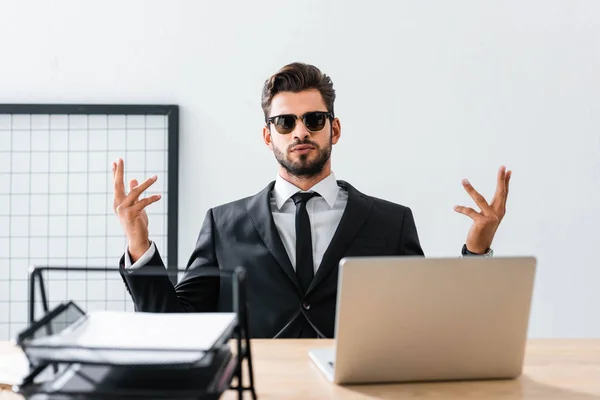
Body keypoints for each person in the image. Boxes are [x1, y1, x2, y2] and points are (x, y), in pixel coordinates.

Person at [114, 62, 512, 338]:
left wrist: (477, 249)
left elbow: (429, 322)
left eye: (314, 119)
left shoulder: (391, 223)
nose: (300, 131)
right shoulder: (223, 225)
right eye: (285, 122)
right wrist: (139, 244)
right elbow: (175, 325)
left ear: (333, 128)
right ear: (269, 136)